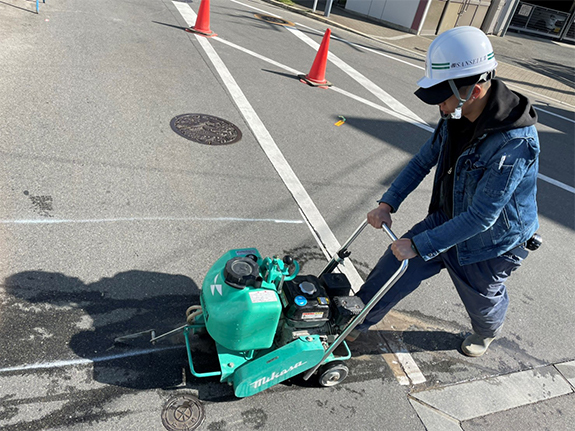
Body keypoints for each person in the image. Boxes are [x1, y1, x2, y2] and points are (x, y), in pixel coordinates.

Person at [348, 26, 540, 357]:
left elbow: (481, 217)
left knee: (482, 301)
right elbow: (422, 160)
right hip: (450, 217)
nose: (438, 103)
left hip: (491, 243)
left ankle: (486, 332)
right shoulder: (453, 113)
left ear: (475, 91)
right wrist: (387, 203)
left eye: (442, 94)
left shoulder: (515, 143)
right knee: (395, 264)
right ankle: (354, 322)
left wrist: (421, 243)